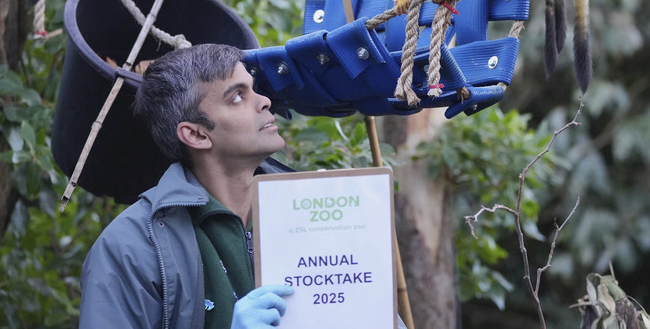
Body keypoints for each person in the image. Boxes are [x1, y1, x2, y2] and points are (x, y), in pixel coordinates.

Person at [77, 43, 408, 329]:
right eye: (237, 96)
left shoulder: (318, 213)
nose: (264, 101)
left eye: (254, 89)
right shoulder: (130, 248)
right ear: (196, 134)